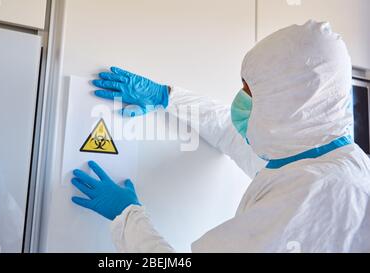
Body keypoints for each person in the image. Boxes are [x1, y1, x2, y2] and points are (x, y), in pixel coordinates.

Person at [70, 21, 370, 252]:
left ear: (288, 105)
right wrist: (167, 98)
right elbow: (231, 133)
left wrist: (128, 220)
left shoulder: (316, 195)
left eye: (251, 92)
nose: (240, 100)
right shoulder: (316, 157)